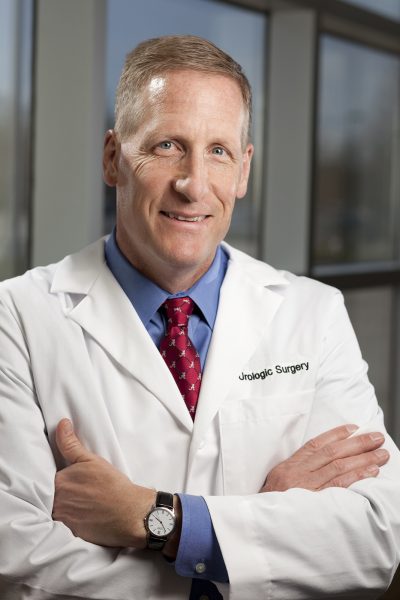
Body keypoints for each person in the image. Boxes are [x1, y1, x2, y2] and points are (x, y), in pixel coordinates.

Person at [0, 34, 399, 600]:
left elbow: (377, 534)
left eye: (218, 151)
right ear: (114, 158)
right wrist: (247, 542)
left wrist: (156, 517)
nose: (194, 185)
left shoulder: (314, 312)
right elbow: (16, 559)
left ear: (243, 171)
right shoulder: (16, 318)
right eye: (167, 146)